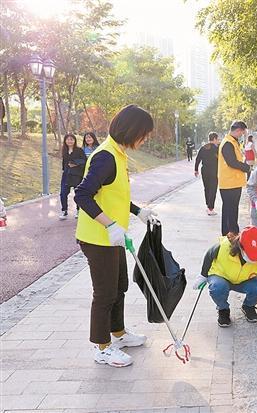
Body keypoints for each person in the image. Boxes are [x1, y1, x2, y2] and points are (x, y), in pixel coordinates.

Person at [75, 105, 158, 367]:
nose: (144, 139)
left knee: (119, 286)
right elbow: (82, 194)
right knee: (104, 293)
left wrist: (138, 212)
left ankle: (118, 333)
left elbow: (114, 194)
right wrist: (110, 225)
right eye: (143, 134)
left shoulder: (118, 154)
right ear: (132, 130)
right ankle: (102, 347)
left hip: (113, 237)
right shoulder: (105, 156)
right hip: (98, 238)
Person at [192, 227, 257, 340]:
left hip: (244, 280)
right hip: (221, 276)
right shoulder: (224, 247)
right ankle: (223, 309)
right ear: (241, 247)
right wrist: (203, 275)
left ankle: (248, 306)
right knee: (217, 287)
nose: (255, 259)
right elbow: (209, 254)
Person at [218, 120, 250, 235]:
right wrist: (246, 167)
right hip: (229, 183)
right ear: (237, 130)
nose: (242, 135)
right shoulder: (228, 143)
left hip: (233, 182)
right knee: (229, 210)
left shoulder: (233, 142)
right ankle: (229, 234)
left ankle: (233, 232)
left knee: (232, 209)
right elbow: (232, 162)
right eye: (242, 133)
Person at [59, 133, 86, 220]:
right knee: (63, 193)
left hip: (77, 175)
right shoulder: (64, 150)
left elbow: (84, 160)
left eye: (71, 139)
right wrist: (64, 170)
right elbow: (64, 162)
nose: (69, 141)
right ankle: (64, 211)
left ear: (74, 140)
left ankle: (78, 210)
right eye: (68, 139)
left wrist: (75, 163)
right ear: (65, 141)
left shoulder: (79, 150)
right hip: (66, 175)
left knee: (77, 193)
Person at [195, 132, 220, 216]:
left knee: (207, 188)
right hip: (214, 171)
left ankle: (208, 206)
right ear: (215, 139)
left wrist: (196, 170)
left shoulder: (203, 147)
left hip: (204, 170)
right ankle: (210, 208)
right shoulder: (217, 148)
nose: (218, 141)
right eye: (217, 139)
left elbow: (198, 159)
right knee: (213, 189)